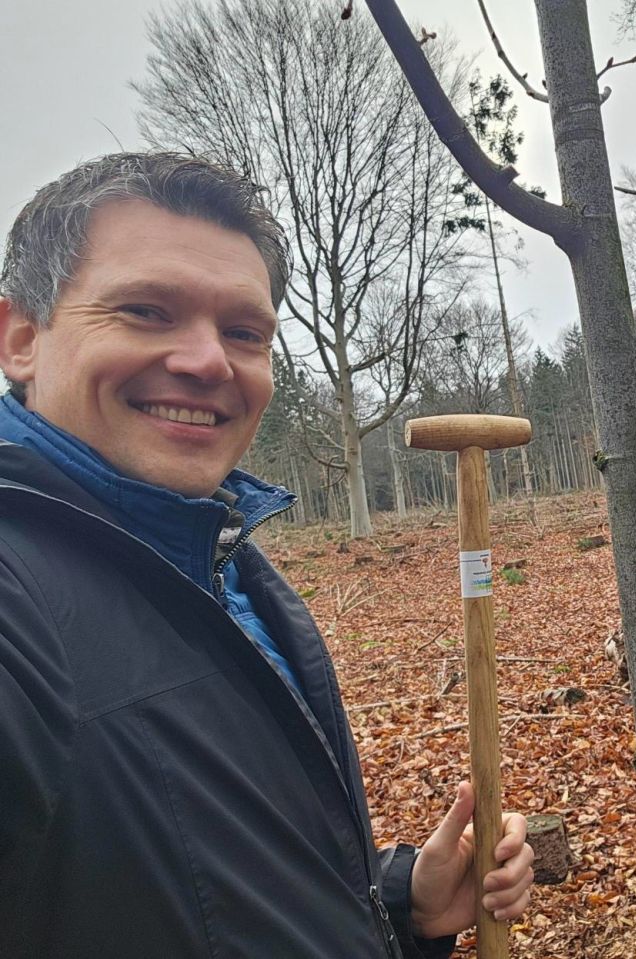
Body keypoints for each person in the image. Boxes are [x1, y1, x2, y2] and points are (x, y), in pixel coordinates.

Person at [0, 153, 534, 958]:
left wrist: (398, 908)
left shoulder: (227, 566)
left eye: (244, 331)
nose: (210, 360)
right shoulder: (17, 598)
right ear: (21, 338)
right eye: (147, 310)